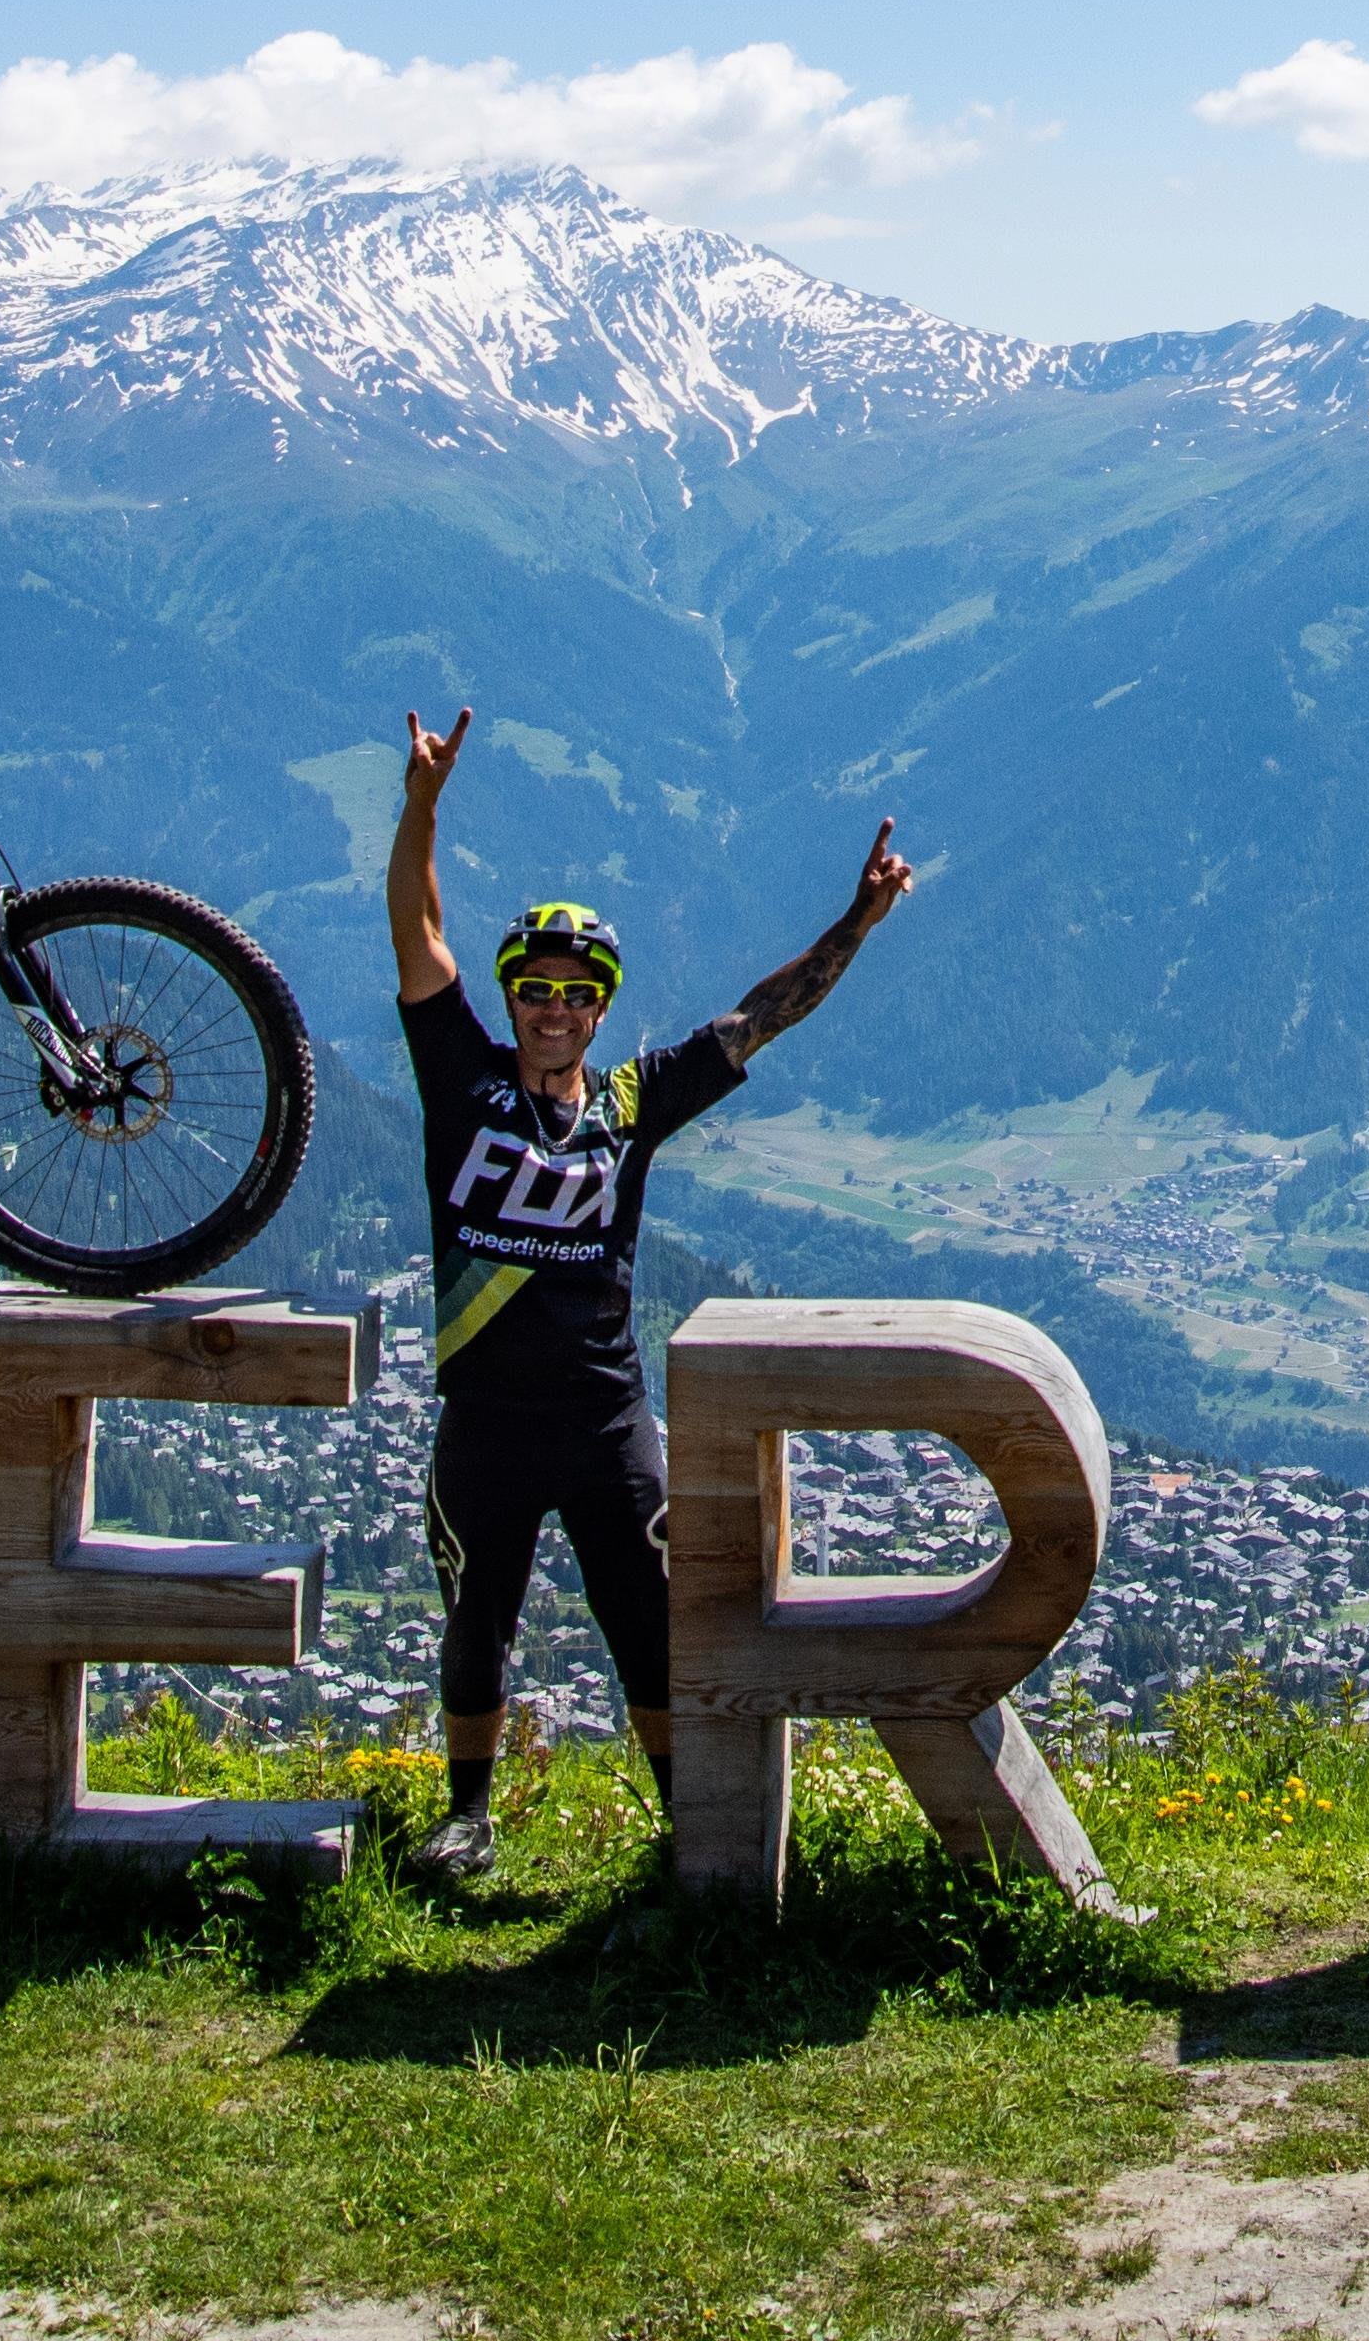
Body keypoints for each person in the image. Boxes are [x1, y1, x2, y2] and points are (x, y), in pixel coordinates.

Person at [383, 706, 912, 1897]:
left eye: (576, 993)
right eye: (535, 989)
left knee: (649, 1624)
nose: (553, 1008)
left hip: (608, 1423)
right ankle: (467, 1819)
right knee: (476, 1619)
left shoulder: (633, 1102)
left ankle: (690, 1824)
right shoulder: (457, 1077)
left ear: (601, 1006)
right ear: (513, 997)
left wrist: (857, 924)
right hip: (486, 1419)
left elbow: (761, 1016)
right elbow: (416, 925)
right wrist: (421, 804)